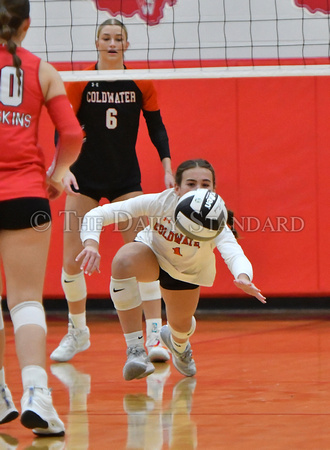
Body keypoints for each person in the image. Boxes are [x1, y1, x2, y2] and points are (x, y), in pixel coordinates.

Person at [50, 18, 174, 364]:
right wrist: (63, 170)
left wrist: (166, 165)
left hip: (124, 181)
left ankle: (154, 336)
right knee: (71, 260)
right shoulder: (80, 81)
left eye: (118, 38)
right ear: (97, 43)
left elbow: (157, 126)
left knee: (140, 258)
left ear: (126, 44)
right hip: (85, 178)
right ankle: (77, 331)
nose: (112, 43)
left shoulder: (140, 80)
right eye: (106, 37)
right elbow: (65, 129)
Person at [76, 159, 266, 380]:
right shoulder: (160, 202)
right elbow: (99, 214)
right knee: (123, 261)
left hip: (186, 274)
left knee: (181, 327)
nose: (198, 189)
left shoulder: (215, 219)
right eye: (191, 183)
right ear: (176, 188)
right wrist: (91, 243)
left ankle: (179, 344)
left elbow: (233, 251)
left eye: (205, 185)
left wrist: (243, 277)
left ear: (214, 190)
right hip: (152, 255)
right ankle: (135, 351)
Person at [0, 0, 82, 435]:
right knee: (26, 300)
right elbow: (71, 134)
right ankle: (36, 392)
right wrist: (57, 175)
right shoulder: (41, 70)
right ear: (26, 25)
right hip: (25, 194)